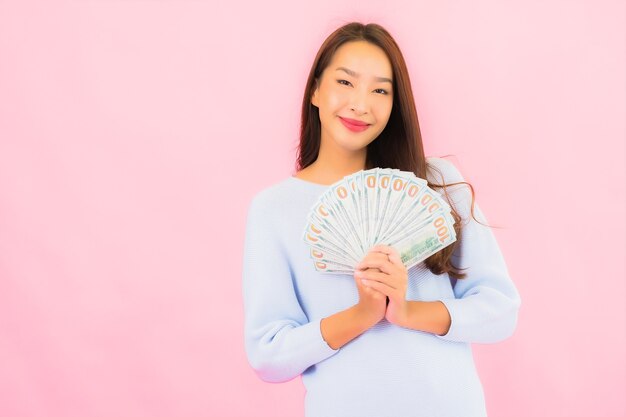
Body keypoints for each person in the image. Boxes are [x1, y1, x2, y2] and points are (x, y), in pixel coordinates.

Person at [242, 22, 521, 417]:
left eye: (380, 90)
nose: (360, 104)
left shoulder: (437, 183)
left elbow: (501, 311)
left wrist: (406, 312)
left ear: (395, 104)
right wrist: (362, 315)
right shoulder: (273, 210)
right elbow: (268, 355)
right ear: (316, 90)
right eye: (345, 82)